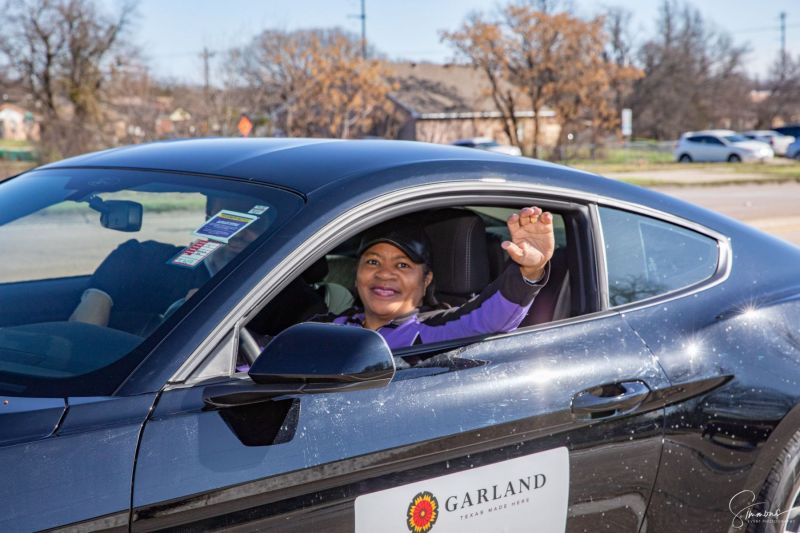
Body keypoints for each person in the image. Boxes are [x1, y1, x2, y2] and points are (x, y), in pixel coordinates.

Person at [316, 206, 555, 349]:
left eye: (402, 264)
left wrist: (529, 271)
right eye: (373, 262)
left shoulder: (431, 331)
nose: (385, 273)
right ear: (356, 275)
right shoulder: (328, 326)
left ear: (426, 280)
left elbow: (489, 319)